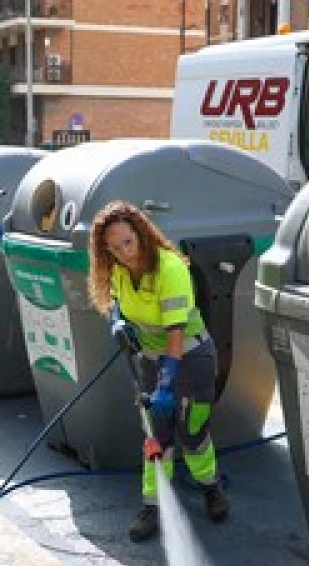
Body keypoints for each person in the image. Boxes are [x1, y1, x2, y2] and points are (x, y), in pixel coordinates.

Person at [88, 200, 229, 542]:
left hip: (191, 357)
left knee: (193, 429)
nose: (125, 253)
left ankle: (211, 488)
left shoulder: (169, 269)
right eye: (115, 247)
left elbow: (176, 335)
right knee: (156, 435)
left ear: (142, 234)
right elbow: (119, 301)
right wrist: (118, 320)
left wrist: (166, 385)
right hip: (150, 360)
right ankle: (154, 504)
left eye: (129, 242)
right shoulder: (119, 270)